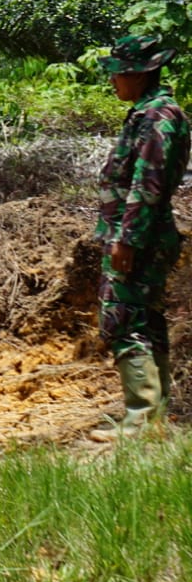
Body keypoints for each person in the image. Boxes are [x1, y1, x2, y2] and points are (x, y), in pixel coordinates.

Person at [91, 35, 189, 442]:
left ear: (140, 74)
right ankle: (151, 420)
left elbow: (146, 186)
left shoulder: (158, 118)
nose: (114, 83)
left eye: (119, 75)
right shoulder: (146, 114)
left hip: (139, 237)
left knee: (123, 320)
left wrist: (126, 239)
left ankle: (142, 419)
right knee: (144, 321)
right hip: (140, 234)